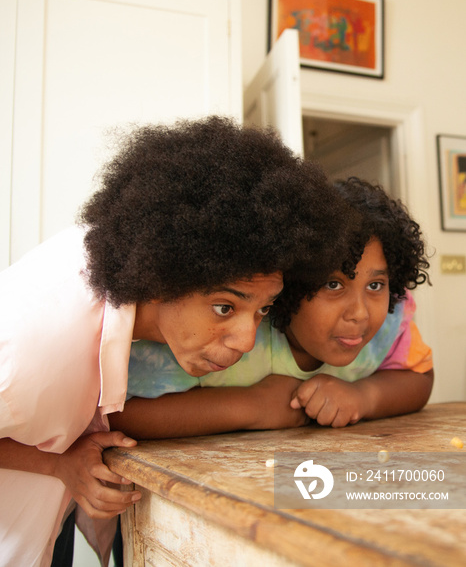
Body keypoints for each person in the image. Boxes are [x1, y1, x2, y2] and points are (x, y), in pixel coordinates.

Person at [0, 116, 358, 567]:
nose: (247, 340)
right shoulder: (32, 351)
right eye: (225, 307)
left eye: (262, 309)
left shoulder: (106, 259)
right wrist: (55, 465)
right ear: (160, 273)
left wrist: (63, 464)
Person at [110, 177, 433, 440]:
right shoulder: (228, 327)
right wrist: (252, 406)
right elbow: (119, 413)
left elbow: (420, 376)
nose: (360, 313)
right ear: (287, 284)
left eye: (375, 286)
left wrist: (364, 397)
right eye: (333, 285)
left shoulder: (390, 319)